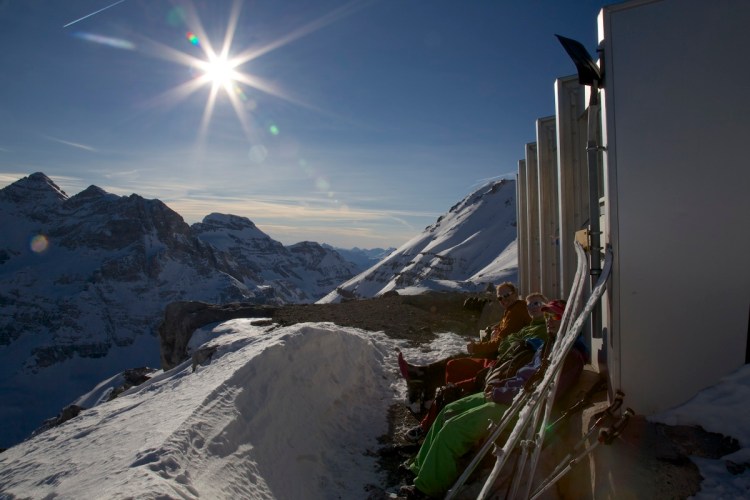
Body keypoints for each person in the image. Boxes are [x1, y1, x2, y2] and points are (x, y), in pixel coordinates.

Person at [400, 300, 586, 498]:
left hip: (525, 409)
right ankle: (419, 468)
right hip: (510, 397)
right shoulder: (549, 345)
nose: (549, 320)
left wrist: (500, 393)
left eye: (555, 316)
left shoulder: (570, 356)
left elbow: (541, 392)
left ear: (569, 320)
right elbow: (522, 376)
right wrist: (498, 386)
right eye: (548, 316)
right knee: (449, 410)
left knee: (455, 428)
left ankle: (426, 488)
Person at [404, 293, 549, 442]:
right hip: (501, 361)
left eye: (536, 304)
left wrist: (482, 346)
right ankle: (430, 393)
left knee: (455, 371)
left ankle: (432, 404)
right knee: (454, 365)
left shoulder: (536, 324)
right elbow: (505, 342)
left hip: (505, 366)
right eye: (529, 304)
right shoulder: (526, 324)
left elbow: (504, 344)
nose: (532, 307)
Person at [398, 282, 531, 408]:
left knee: (456, 361)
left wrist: (476, 347)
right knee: (457, 358)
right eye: (500, 298)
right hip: (503, 355)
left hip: (501, 359)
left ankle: (420, 377)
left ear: (515, 293)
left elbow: (499, 342)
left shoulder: (517, 311)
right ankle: (425, 384)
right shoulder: (513, 309)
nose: (503, 300)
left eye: (506, 295)